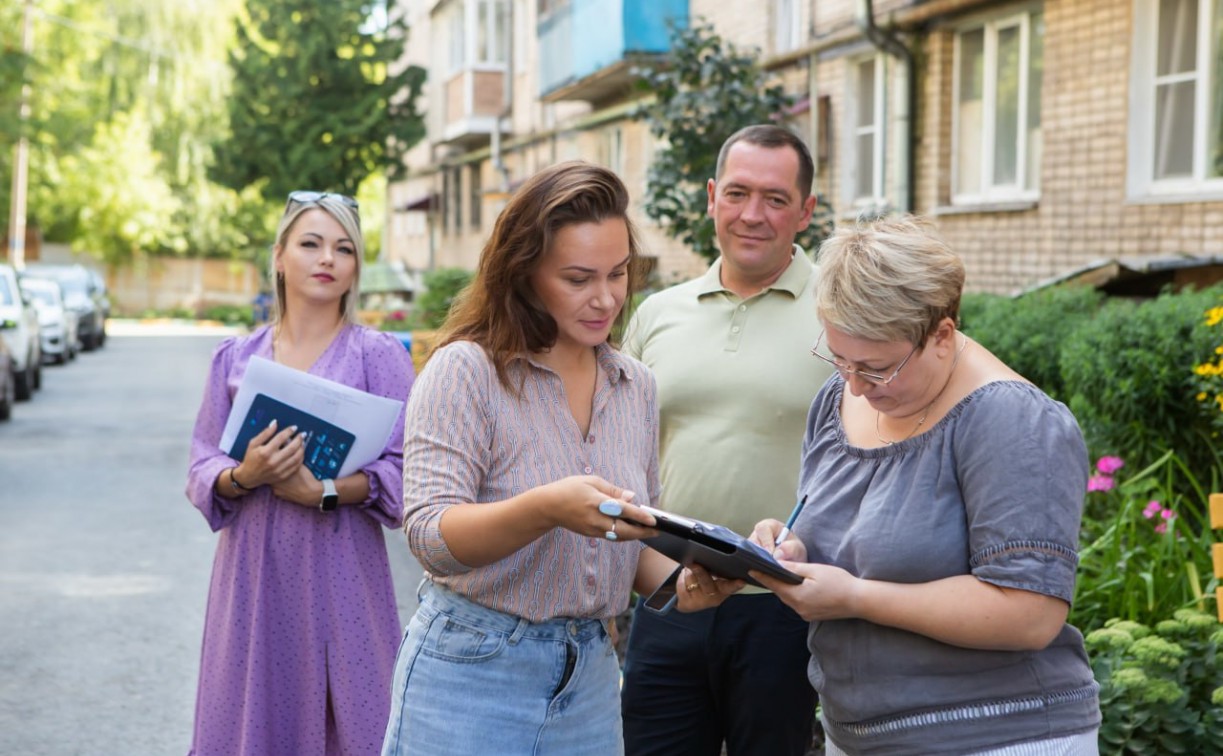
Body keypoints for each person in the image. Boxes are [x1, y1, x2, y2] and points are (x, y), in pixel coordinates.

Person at [381, 161, 710, 756]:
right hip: (470, 670)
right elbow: (428, 536)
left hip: (589, 680)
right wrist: (546, 508)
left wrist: (690, 584)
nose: (606, 297)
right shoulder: (467, 371)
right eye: (579, 278)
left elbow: (630, 544)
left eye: (618, 273)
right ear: (524, 272)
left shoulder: (634, 385)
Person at [749, 216, 1101, 754]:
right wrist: (791, 546)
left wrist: (857, 597)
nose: (857, 386)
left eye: (879, 368)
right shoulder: (835, 399)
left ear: (942, 334)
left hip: (997, 736)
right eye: (839, 358)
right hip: (859, 735)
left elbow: (1031, 614)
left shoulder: (1010, 419)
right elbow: (853, 535)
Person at [620, 124, 833, 755]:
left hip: (785, 606)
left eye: (775, 198)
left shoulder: (844, 309)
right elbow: (616, 443)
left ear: (806, 211)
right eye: (737, 193)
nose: (752, 215)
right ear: (712, 197)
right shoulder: (659, 313)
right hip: (666, 595)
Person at [185, 191, 415, 755]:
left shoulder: (378, 356)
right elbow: (201, 462)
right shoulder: (235, 359)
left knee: (352, 719)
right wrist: (246, 474)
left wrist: (326, 492)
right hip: (253, 576)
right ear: (280, 256)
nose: (327, 259)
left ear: (356, 266)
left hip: (343, 573)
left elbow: (409, 472)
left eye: (344, 248)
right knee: (252, 718)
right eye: (311, 243)